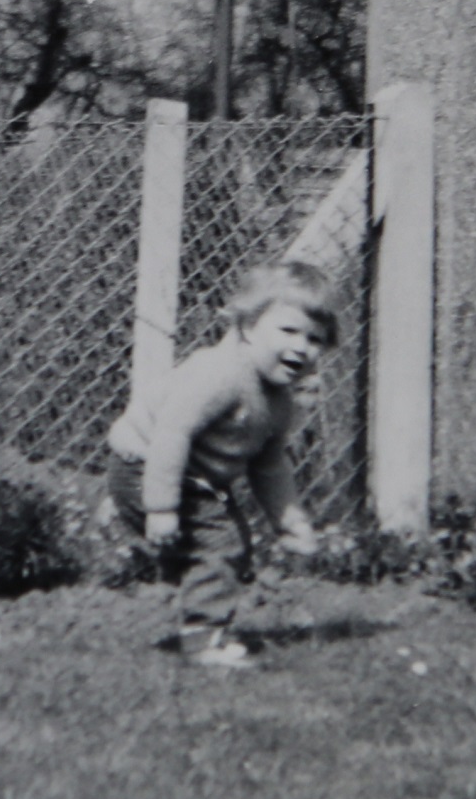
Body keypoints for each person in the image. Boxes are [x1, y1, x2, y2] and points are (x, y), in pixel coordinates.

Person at [106, 260, 335, 668]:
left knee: (216, 546)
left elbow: (269, 465)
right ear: (247, 326)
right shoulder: (222, 374)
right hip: (147, 464)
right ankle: (204, 642)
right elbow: (171, 433)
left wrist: (288, 519)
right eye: (288, 331)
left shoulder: (279, 400)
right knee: (222, 545)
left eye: (315, 339)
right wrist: (160, 507)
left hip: (195, 477)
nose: (301, 348)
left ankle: (193, 610)